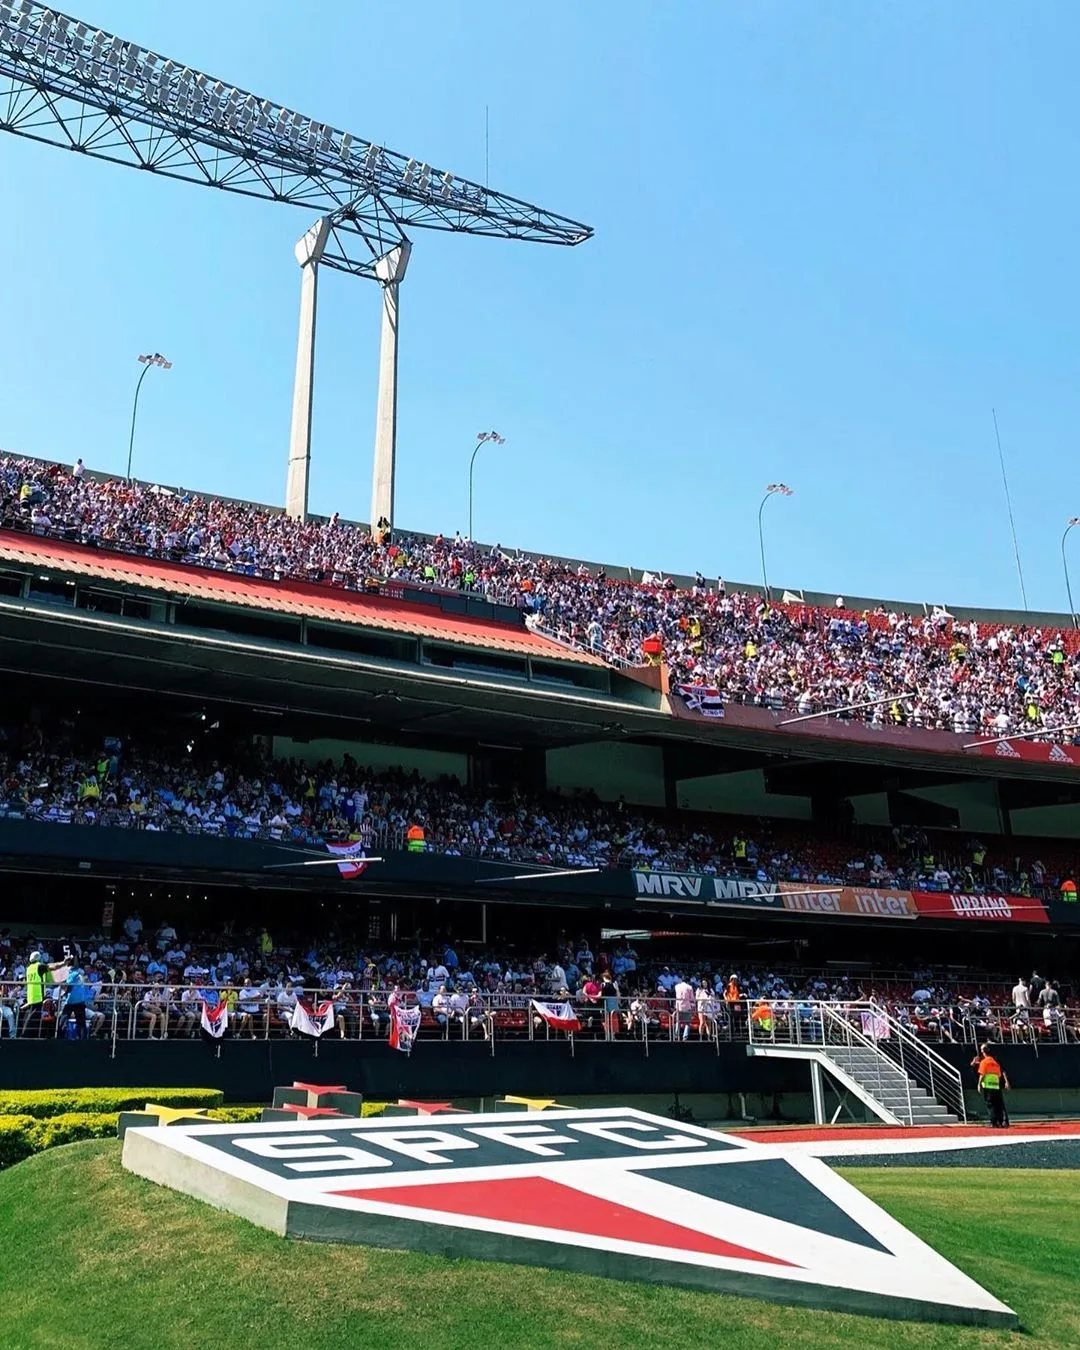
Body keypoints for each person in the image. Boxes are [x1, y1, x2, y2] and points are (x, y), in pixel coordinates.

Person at [972, 1043, 1010, 1128]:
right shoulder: (995, 1063)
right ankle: (1001, 1122)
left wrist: (979, 1085)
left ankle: (994, 1122)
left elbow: (982, 1074)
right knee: (998, 1105)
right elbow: (999, 1074)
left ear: (983, 1052)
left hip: (988, 1086)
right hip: (996, 1086)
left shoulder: (984, 1062)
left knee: (990, 1105)